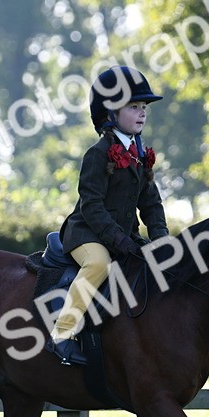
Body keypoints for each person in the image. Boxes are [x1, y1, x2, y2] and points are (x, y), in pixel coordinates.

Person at [46, 66, 169, 366]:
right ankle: (62, 334)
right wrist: (119, 239)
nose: (142, 113)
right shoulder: (98, 154)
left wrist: (162, 241)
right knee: (99, 264)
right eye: (134, 107)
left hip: (123, 238)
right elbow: (92, 206)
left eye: (143, 108)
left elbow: (151, 204)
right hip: (86, 235)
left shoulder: (140, 155)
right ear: (110, 113)